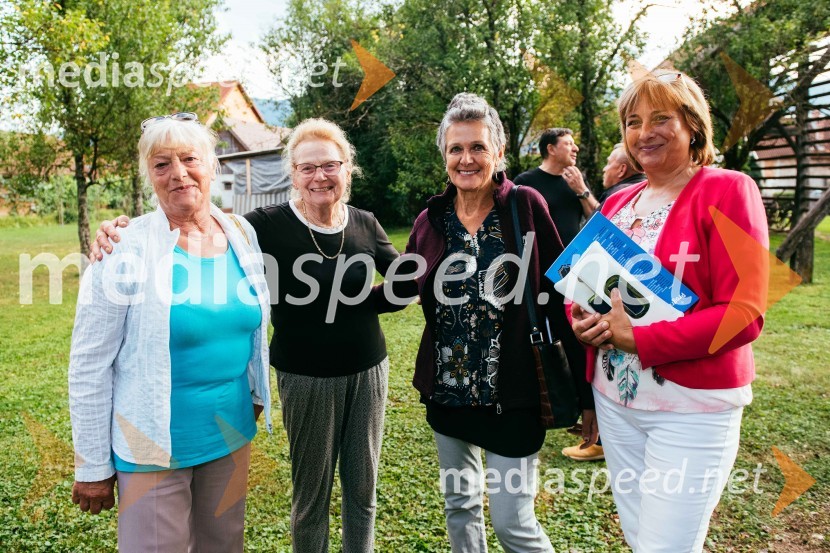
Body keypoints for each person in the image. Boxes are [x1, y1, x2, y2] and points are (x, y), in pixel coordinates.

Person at [90, 118, 400, 553]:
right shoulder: (258, 226)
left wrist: (369, 296)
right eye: (307, 167)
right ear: (292, 174)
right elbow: (90, 363)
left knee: (359, 490)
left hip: (338, 378)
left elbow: (406, 280)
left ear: (348, 169)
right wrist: (113, 230)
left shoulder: (354, 223)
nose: (319, 176)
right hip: (299, 377)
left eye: (330, 165)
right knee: (310, 495)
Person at [379, 93, 594, 552]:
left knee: (513, 522)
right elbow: (402, 286)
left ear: (498, 152)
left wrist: (587, 394)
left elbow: (565, 294)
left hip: (514, 396)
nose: (466, 158)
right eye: (456, 149)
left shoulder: (524, 206)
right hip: (448, 393)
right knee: (460, 508)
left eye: (477, 147)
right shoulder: (430, 220)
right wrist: (326, 300)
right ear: (444, 157)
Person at [571, 71, 768, 552]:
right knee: (643, 540)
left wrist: (641, 340)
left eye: (661, 118)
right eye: (633, 122)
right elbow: (580, 286)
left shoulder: (729, 190)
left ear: (693, 126)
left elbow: (744, 312)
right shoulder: (617, 201)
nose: (644, 133)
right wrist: (581, 321)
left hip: (691, 410)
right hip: (615, 402)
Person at [69, 112, 271, 552]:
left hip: (231, 432)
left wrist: (256, 396)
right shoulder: (124, 247)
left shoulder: (240, 232)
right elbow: (88, 365)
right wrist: (91, 466)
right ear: (149, 176)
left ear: (213, 165)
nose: (178, 174)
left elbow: (253, 333)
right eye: (162, 164)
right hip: (151, 446)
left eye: (189, 159)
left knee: (224, 545)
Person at [560, 144, 645, 462]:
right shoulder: (625, 197)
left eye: (609, 163)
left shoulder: (621, 194)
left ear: (622, 169)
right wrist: (574, 312)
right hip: (614, 384)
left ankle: (598, 439)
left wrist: (582, 191)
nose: (605, 170)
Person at [513, 127, 599, 246]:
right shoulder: (524, 181)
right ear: (551, 149)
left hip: (572, 258)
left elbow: (595, 221)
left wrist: (581, 189)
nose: (576, 149)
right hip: (540, 261)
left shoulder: (577, 179)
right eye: (569, 144)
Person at [597, 143, 647, 207]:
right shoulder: (645, 190)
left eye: (609, 163)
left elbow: (600, 217)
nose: (604, 169)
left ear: (622, 170)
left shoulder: (618, 193)